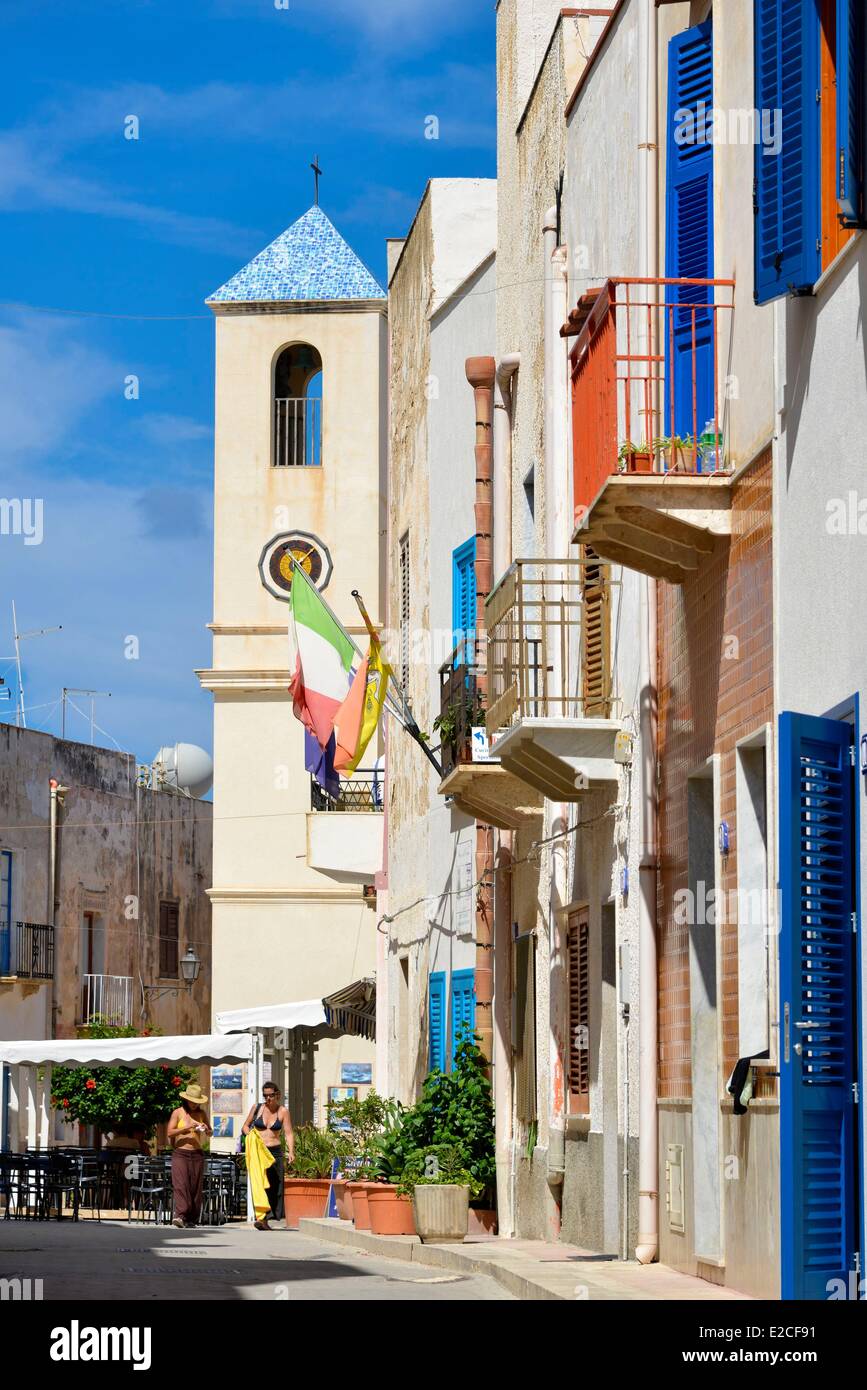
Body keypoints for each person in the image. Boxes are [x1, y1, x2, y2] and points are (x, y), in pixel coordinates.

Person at [242, 1082, 294, 1230]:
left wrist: (291, 1152)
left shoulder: (283, 1111)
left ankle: (269, 1217)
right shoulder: (257, 1108)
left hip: (275, 1152)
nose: (268, 1098)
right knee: (259, 1184)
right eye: (265, 1095)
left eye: (271, 1095)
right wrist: (251, 1136)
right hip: (259, 1151)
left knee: (274, 1186)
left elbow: (289, 1133)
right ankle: (261, 1218)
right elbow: (245, 1126)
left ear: (277, 1094)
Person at [167, 1082, 213, 1229]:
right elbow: (169, 1132)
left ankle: (191, 1218)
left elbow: (210, 1133)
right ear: (186, 1099)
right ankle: (180, 1216)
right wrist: (186, 1128)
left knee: (195, 1186)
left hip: (197, 1153)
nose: (194, 1104)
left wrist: (206, 1129)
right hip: (181, 1153)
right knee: (181, 1185)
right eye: (192, 1101)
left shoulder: (201, 1114)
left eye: (196, 1102)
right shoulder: (178, 1112)